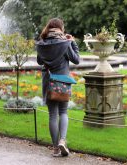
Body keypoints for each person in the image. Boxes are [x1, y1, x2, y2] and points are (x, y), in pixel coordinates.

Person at [36, 18, 80, 157]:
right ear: (61, 28)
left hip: (48, 82)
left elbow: (39, 61)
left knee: (52, 115)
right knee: (63, 112)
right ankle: (62, 140)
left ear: (48, 28)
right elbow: (76, 59)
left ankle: (55, 148)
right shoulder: (65, 43)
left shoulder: (41, 43)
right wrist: (72, 42)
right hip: (62, 82)